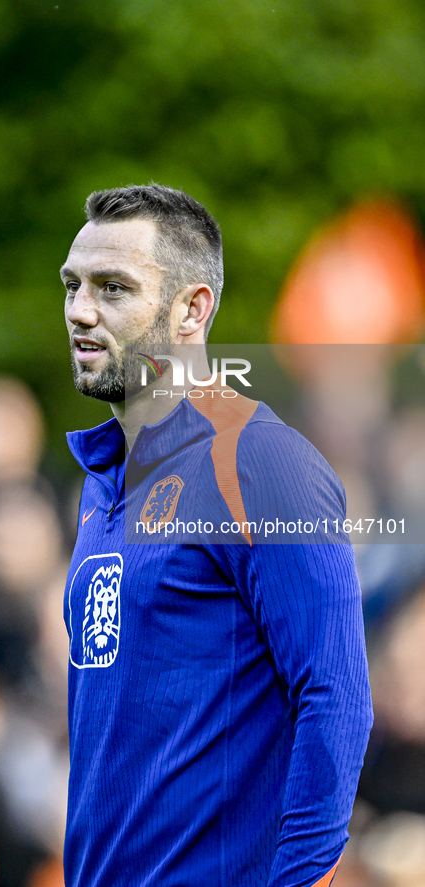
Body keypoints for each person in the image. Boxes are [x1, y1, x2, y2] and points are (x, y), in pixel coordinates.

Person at [60, 184, 373, 887]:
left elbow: (336, 696)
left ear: (191, 308)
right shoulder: (101, 480)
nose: (80, 311)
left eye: (114, 289)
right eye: (73, 285)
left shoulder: (257, 460)